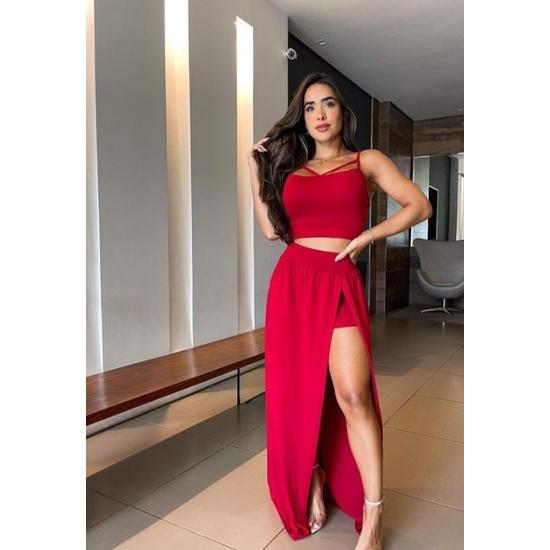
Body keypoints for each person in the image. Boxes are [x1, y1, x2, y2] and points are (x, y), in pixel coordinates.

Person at [247, 72, 431, 550]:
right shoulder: (292, 170)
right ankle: (313, 476)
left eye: (327, 104)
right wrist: (254, 170)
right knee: (299, 391)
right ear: (302, 118)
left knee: (353, 395)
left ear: (342, 112)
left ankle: (373, 513)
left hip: (338, 283)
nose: (319, 114)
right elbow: (272, 231)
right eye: (309, 107)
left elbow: (418, 206)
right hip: (292, 284)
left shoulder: (365, 161)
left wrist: (368, 236)